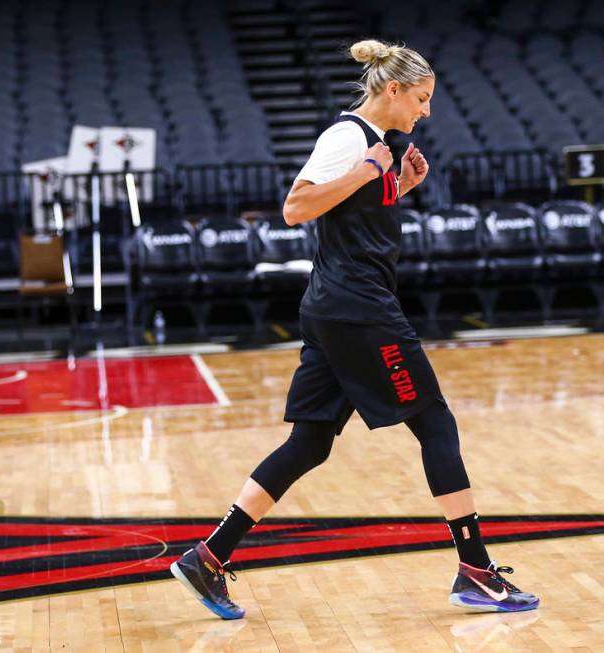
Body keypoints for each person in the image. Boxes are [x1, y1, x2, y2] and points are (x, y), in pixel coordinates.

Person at [170, 39, 539, 619]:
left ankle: (208, 557)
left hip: (337, 307)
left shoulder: (380, 145)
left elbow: (350, 215)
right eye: (420, 99)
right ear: (391, 90)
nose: (425, 111)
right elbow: (297, 207)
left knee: (310, 443)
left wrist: (399, 187)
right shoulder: (348, 138)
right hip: (358, 309)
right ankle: (475, 569)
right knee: (435, 422)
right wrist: (371, 169)